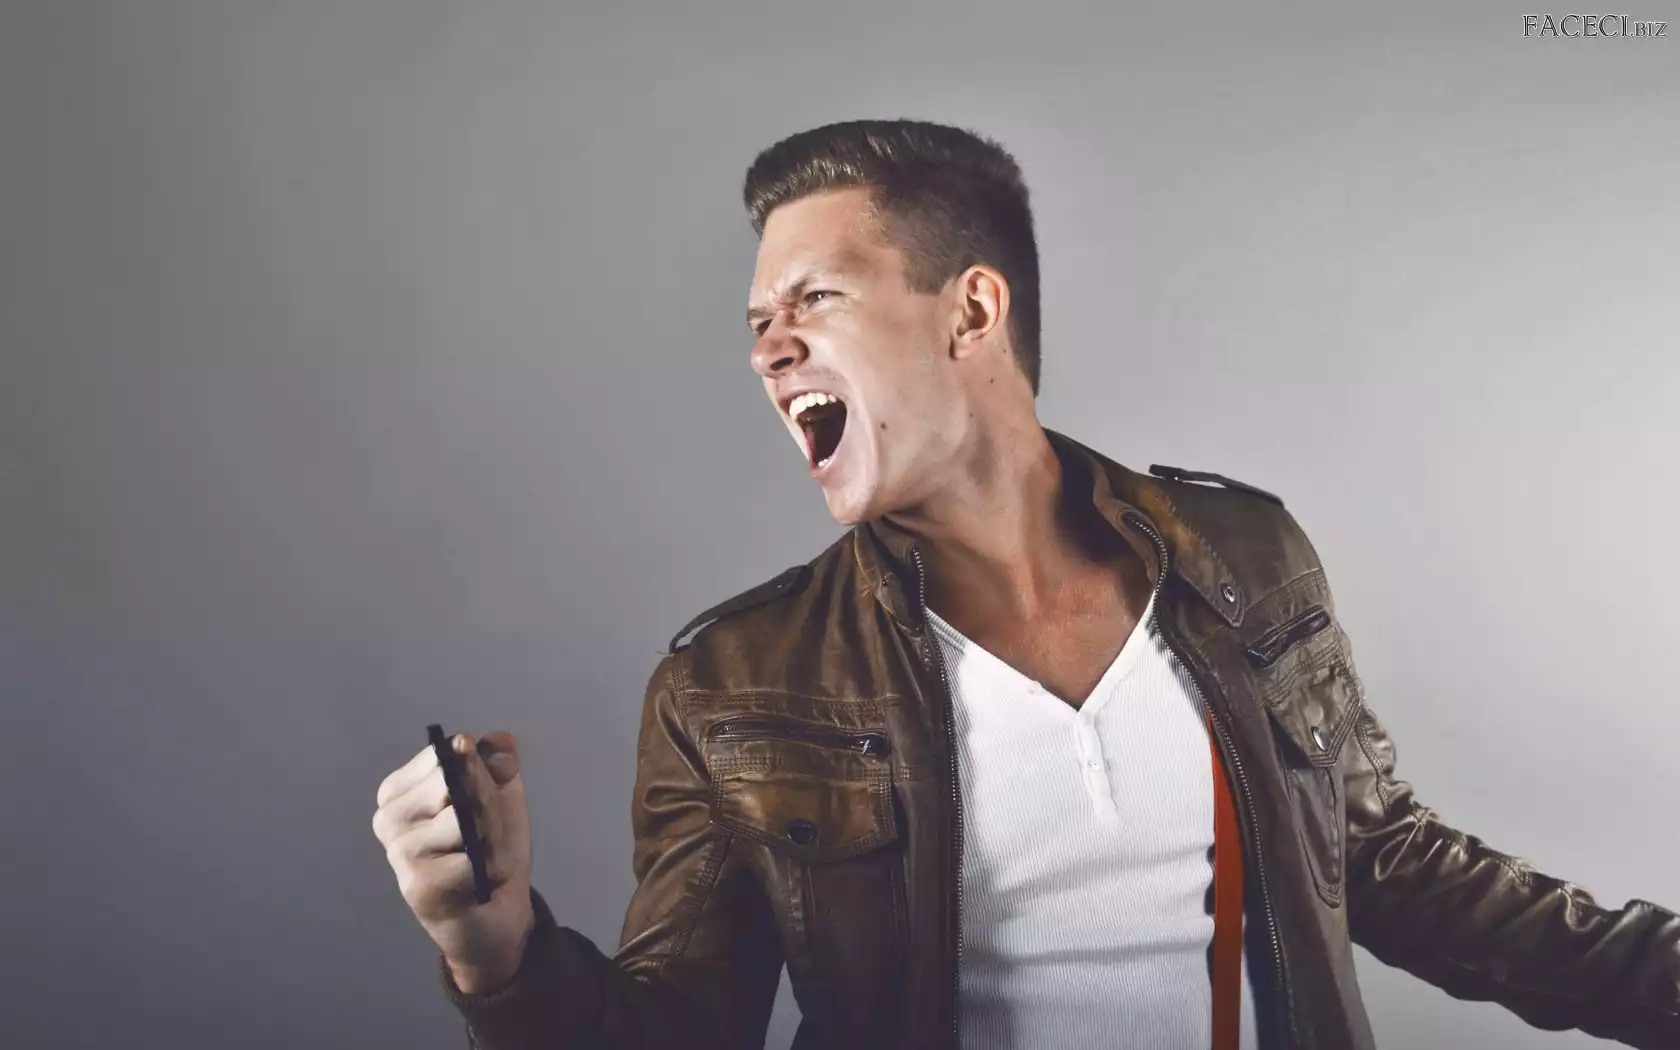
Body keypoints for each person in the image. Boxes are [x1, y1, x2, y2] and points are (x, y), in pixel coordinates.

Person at [369, 119, 1680, 1050]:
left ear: (971, 311)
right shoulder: (732, 685)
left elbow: (1386, 862)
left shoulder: (1243, 559)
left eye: (813, 299)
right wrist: (497, 951)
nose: (768, 350)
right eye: (757, 322)